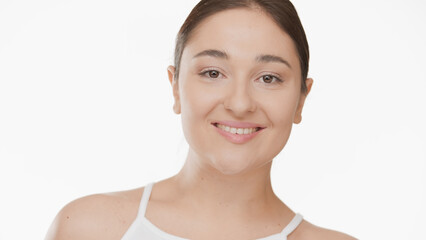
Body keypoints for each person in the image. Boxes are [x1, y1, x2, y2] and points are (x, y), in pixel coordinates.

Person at [46, 0, 357, 239]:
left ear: (302, 98)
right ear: (175, 86)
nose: (239, 103)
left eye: (269, 78)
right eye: (213, 73)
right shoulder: (90, 229)